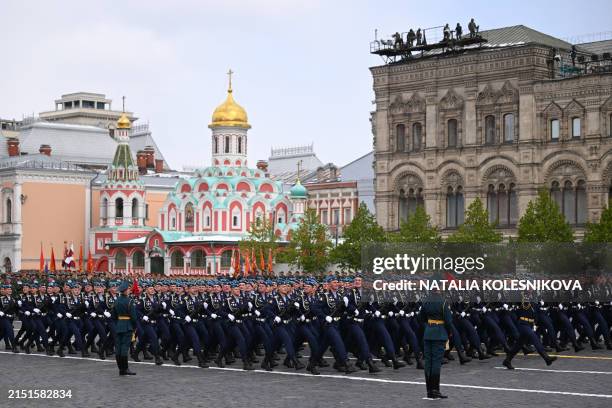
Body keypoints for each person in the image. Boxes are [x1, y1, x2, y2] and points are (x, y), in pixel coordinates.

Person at [419, 285, 453, 399]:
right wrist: (449, 332)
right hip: (439, 333)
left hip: (428, 333)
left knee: (428, 362)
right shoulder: (443, 302)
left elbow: (420, 318)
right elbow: (448, 321)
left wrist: (429, 325)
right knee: (436, 363)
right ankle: (435, 390)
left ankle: (429, 390)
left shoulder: (426, 301)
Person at [112, 280, 138, 376]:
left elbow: (113, 316)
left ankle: (120, 369)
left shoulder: (116, 300)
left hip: (118, 325)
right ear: (126, 290)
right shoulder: (130, 301)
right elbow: (134, 317)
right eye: (128, 289)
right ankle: (125, 368)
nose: (129, 291)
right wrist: (134, 327)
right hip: (127, 326)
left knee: (118, 347)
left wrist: (118, 323)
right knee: (124, 348)